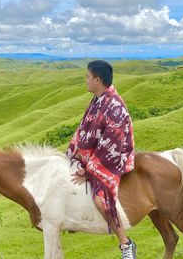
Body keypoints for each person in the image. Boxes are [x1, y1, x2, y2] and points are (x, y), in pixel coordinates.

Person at [66, 60, 136, 259]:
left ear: (97, 79)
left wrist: (89, 169)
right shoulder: (98, 99)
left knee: (100, 199)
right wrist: (74, 153)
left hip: (113, 157)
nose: (86, 80)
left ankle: (125, 243)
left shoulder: (114, 107)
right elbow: (84, 129)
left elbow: (111, 144)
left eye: (88, 76)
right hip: (94, 153)